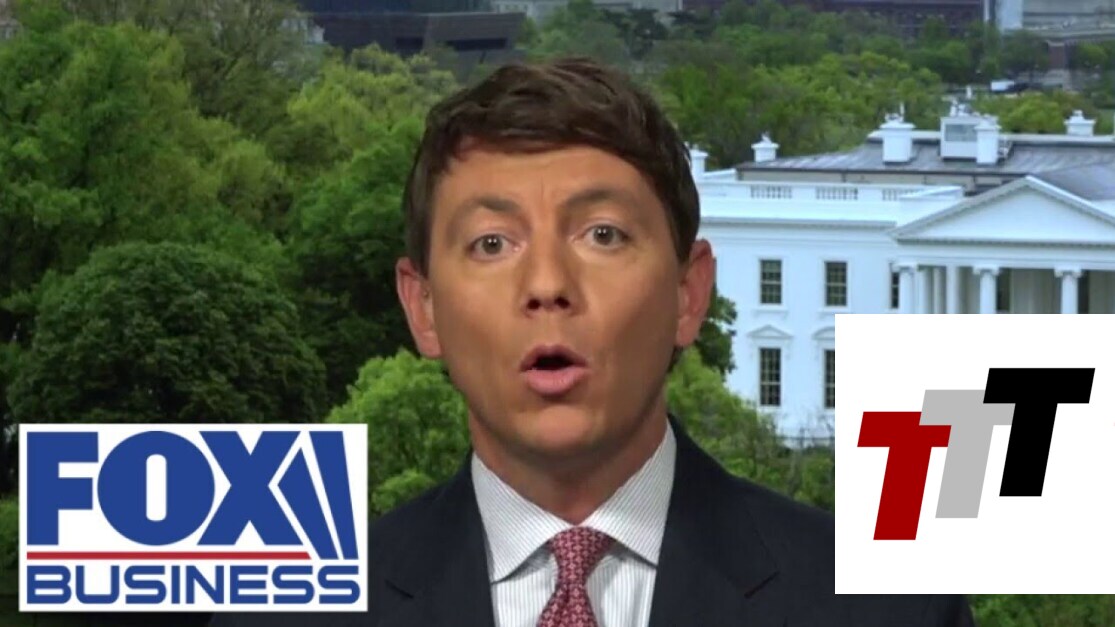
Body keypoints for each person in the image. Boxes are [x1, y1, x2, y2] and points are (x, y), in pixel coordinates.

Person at [212, 57, 974, 627]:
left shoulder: (889, 606)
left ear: (687, 294)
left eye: (602, 234)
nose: (547, 283)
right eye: (490, 242)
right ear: (425, 308)